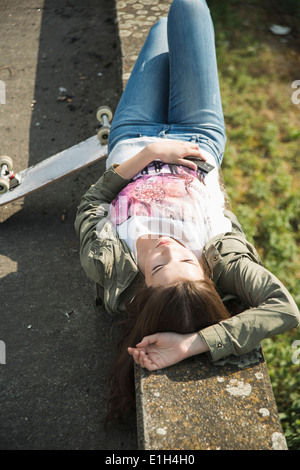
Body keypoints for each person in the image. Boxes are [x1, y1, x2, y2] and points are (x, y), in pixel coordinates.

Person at [75, 0, 300, 424]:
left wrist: (150, 154)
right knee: (190, 8)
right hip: (199, 131)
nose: (169, 248)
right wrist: (193, 343)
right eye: (186, 259)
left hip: (132, 135)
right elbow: (285, 310)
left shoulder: (110, 266)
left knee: (161, 26)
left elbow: (90, 204)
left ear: (143, 287)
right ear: (205, 271)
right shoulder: (223, 265)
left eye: (159, 265)